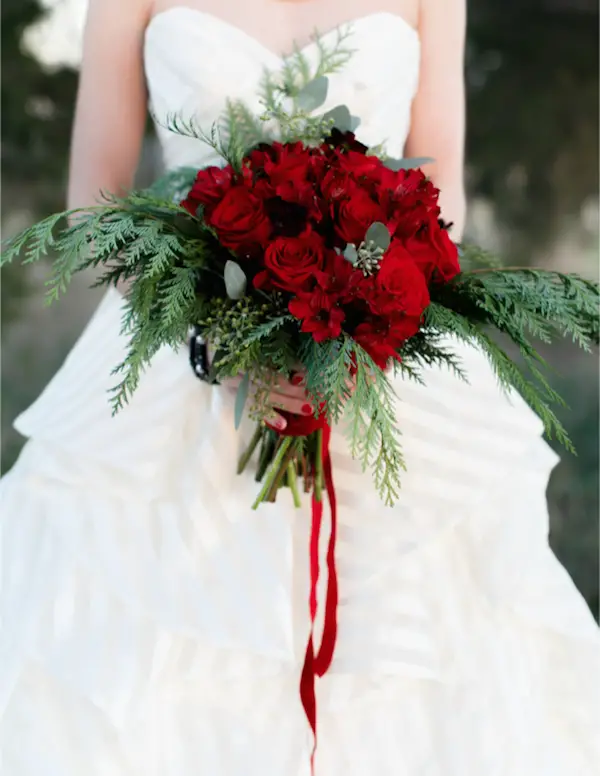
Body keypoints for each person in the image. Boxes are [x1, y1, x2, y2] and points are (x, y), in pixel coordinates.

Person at [1, 1, 598, 774]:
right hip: (175, 373)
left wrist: (365, 327)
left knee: (419, 662)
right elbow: (97, 209)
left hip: (376, 372)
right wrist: (216, 340)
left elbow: (436, 198)